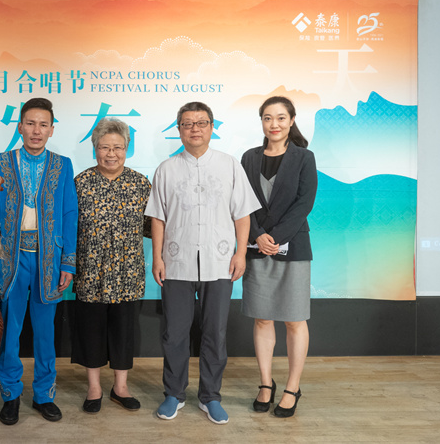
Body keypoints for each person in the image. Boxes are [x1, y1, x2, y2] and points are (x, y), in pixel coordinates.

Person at [145, 101, 260, 425]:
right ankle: (174, 393)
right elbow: (158, 218)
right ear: (179, 129)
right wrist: (158, 257)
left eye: (201, 122)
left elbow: (242, 214)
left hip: (219, 261)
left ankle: (210, 396)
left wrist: (240, 253)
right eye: (187, 123)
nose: (194, 128)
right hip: (177, 261)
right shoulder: (166, 169)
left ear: (211, 127)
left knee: (214, 333)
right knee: (174, 333)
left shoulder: (229, 165)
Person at [0, 97, 77, 426]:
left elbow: (69, 213)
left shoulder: (62, 165)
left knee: (46, 333)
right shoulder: (0, 162)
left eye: (43, 124)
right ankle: (10, 394)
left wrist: (68, 263)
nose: (36, 130)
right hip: (10, 258)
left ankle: (44, 395)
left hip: (49, 259)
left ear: (51, 129)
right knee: (9, 331)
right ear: (20, 127)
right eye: (30, 123)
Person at [240, 96, 317, 418]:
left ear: (292, 120)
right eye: (268, 118)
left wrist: (278, 237)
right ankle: (265, 383)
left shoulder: (304, 157)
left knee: (295, 320)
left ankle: (292, 387)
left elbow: (304, 203)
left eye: (281, 118)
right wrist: (258, 235)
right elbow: (241, 201)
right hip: (256, 247)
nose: (274, 124)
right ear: (261, 121)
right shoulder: (249, 157)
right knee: (262, 318)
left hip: (293, 247)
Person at [71, 118, 150, 414]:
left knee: (124, 331)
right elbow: (69, 227)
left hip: (128, 272)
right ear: (95, 149)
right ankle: (94, 387)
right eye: (104, 147)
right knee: (91, 330)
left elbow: (153, 227)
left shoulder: (141, 184)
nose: (111, 154)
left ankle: (120, 387)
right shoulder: (80, 183)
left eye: (117, 147)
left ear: (126, 149)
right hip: (90, 271)